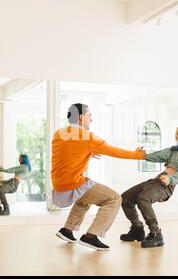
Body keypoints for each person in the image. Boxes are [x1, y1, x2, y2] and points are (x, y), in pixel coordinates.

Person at [52, 103, 146, 251]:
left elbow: (67, 154)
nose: (92, 119)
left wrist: (87, 152)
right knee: (114, 198)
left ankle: (67, 230)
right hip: (73, 183)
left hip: (59, 183)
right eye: (90, 116)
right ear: (82, 118)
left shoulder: (58, 133)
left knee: (85, 197)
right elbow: (113, 151)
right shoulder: (87, 137)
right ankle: (91, 236)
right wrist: (137, 155)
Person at [120, 125, 178, 248]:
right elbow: (159, 155)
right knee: (125, 198)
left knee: (143, 198)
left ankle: (156, 234)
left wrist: (170, 178)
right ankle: (137, 229)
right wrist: (143, 155)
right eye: (176, 133)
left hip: (168, 184)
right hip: (159, 179)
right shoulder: (174, 150)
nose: (176, 136)